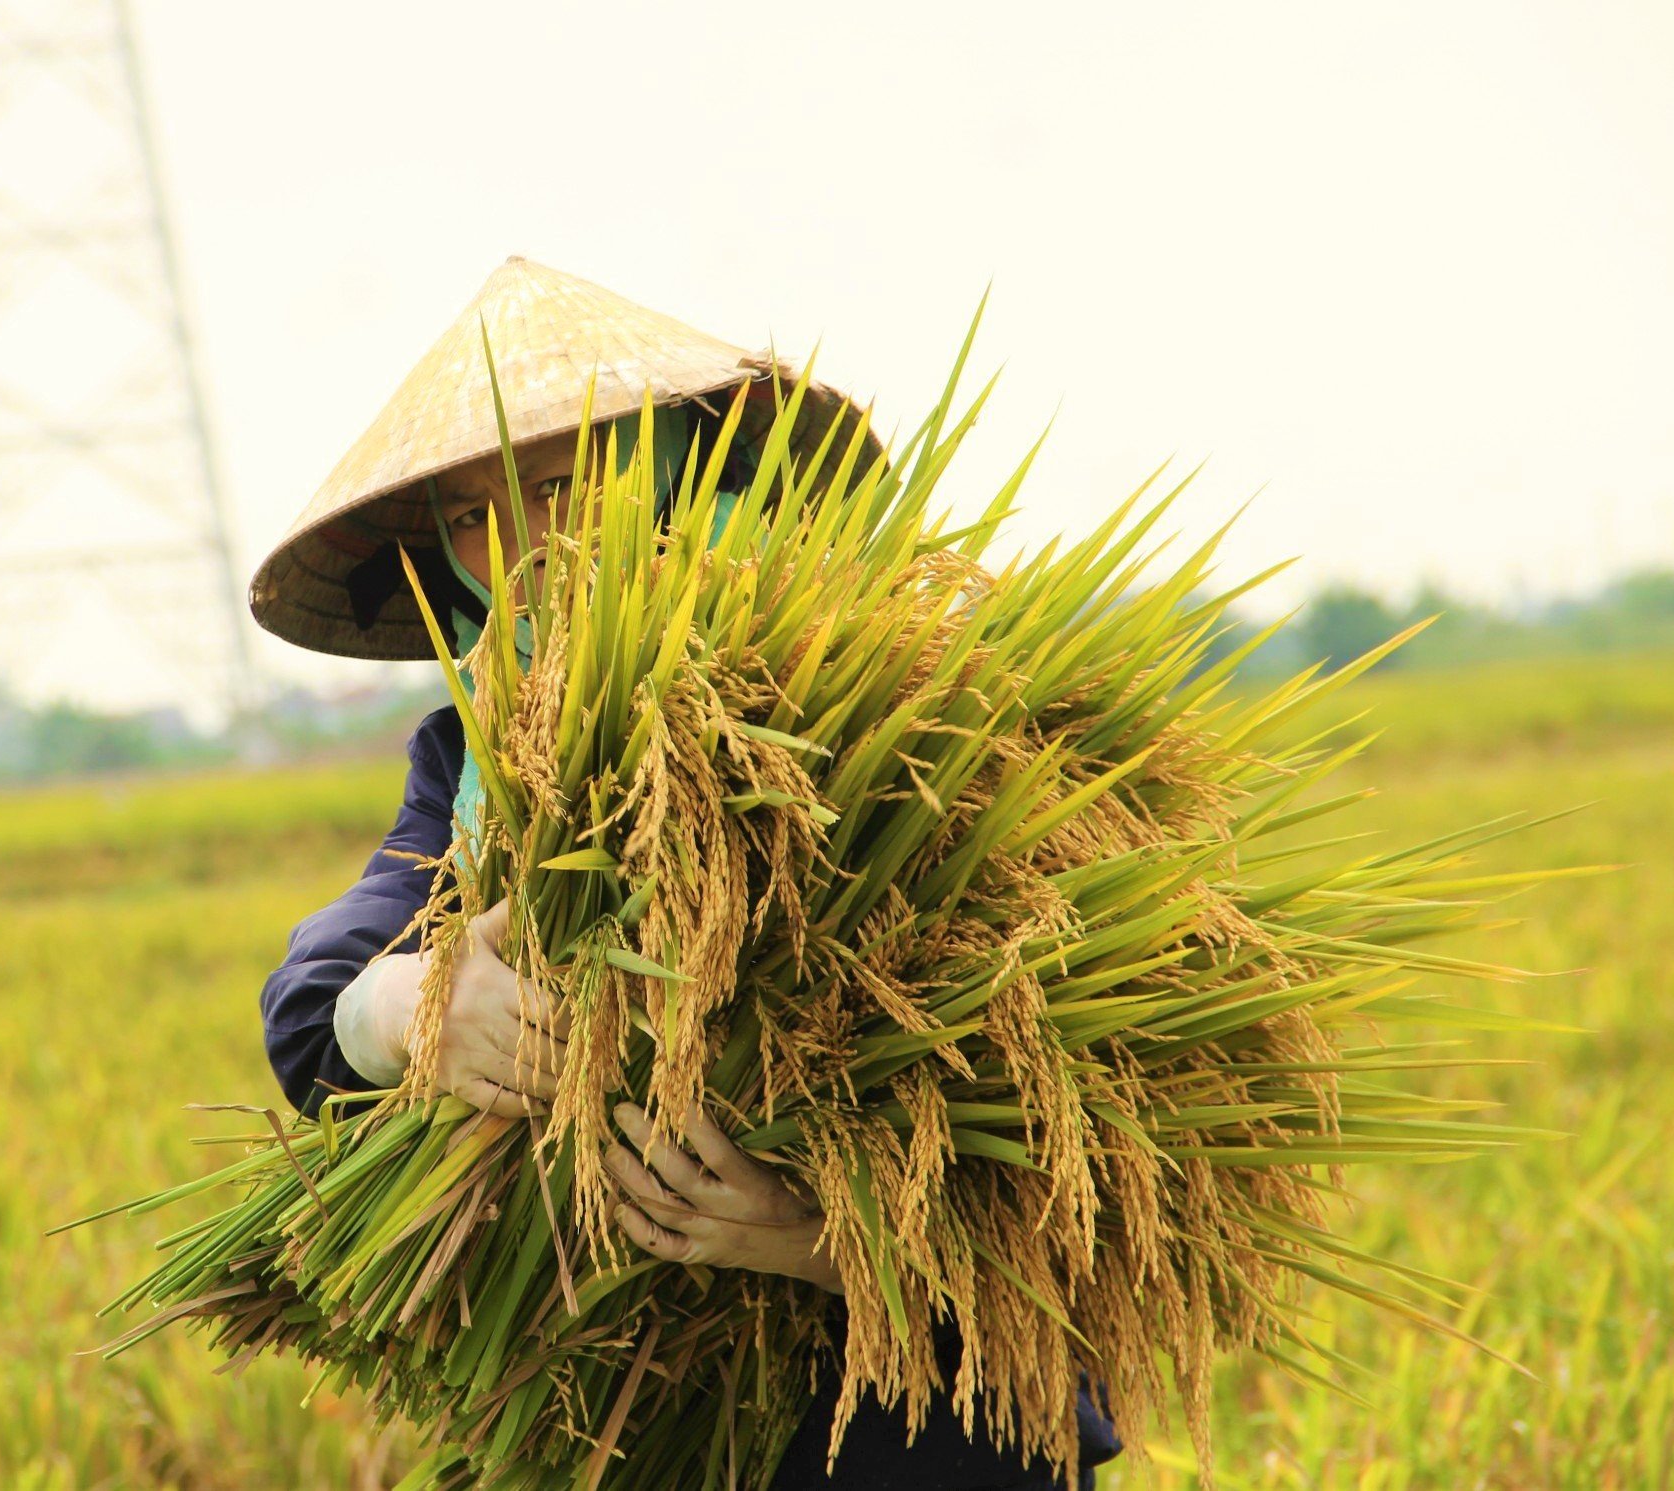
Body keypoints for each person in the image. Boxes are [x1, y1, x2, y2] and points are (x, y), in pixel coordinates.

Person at [246, 257, 1124, 1490]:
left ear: (674, 473)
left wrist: (819, 1240)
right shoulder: (480, 753)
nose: (528, 541)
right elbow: (317, 997)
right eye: (470, 516)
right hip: (642, 1413)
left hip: (932, 1421)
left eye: (565, 483)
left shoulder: (894, 700)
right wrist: (419, 1009)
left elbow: (1083, 1142)